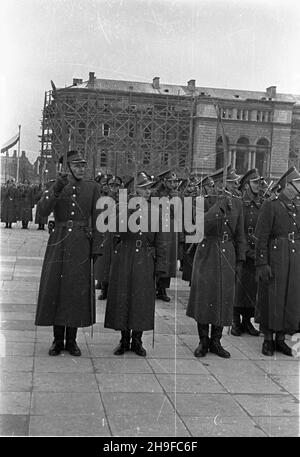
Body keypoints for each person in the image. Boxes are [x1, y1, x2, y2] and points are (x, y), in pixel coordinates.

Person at [35, 150, 102, 356]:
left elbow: (98, 219)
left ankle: (71, 340)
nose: (81, 169)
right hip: (59, 242)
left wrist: (97, 248)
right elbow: (42, 212)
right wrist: (56, 189)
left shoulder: (93, 188)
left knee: (74, 290)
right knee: (57, 288)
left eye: (83, 165)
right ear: (68, 168)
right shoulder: (56, 185)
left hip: (81, 242)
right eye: (77, 165)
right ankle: (57, 340)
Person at [104, 171, 167, 357]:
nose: (148, 192)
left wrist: (161, 265)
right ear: (136, 190)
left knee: (141, 299)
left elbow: (161, 240)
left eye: (149, 188)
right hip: (126, 254)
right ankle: (124, 340)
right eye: (144, 188)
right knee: (124, 296)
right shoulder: (123, 207)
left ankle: (137, 341)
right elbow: (113, 228)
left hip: (145, 257)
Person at [186, 166, 246, 358]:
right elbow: (200, 225)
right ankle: (203, 341)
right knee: (205, 298)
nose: (237, 184)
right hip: (207, 252)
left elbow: (240, 234)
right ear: (221, 183)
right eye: (232, 181)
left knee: (223, 298)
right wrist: (219, 204)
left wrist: (240, 258)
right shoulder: (201, 201)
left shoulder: (237, 204)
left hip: (227, 253)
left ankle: (216, 341)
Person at [255, 166, 300, 356]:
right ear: (286, 185)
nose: (298, 187)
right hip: (275, 257)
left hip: (293, 257)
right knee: (272, 297)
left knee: (289, 297)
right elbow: (261, 236)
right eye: (296, 184)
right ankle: (267, 339)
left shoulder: (297, 206)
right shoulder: (270, 205)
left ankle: (281, 338)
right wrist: (262, 263)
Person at [232, 168, 262, 336]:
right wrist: (243, 250)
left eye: (259, 182)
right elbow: (236, 231)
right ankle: (235, 321)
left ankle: (247, 322)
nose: (259, 185)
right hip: (241, 253)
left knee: (252, 288)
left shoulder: (262, 203)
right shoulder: (239, 204)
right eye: (255, 182)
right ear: (246, 186)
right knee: (239, 288)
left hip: (255, 253)